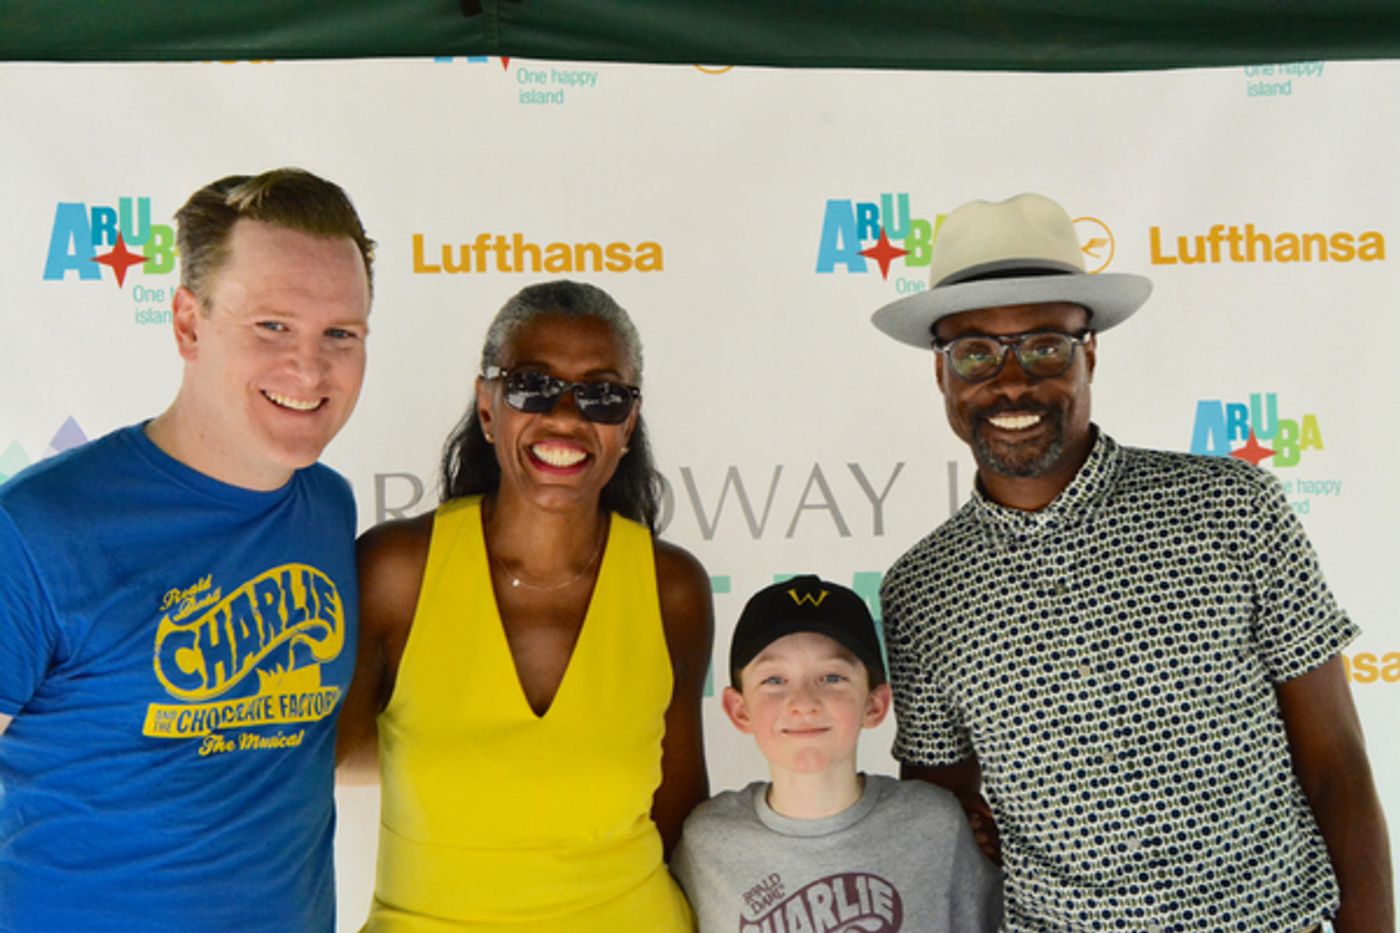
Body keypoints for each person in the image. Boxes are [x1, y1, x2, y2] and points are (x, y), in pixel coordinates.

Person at [871, 192, 1393, 933]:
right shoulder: (922, 590)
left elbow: (1336, 761)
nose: (1011, 381)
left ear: (1089, 352)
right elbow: (945, 815)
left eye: (1045, 346)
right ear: (942, 374)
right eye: (976, 352)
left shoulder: (1232, 507)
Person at [0, 168, 375, 931]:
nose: (309, 368)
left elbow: (300, 744)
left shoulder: (327, 507)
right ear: (187, 324)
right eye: (272, 326)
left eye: (340, 333)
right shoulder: (37, 529)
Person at [338, 279, 713, 931]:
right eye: (532, 386)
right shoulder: (397, 572)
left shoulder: (670, 589)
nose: (566, 416)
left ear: (627, 423)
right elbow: (308, 767)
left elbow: (681, 827)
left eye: (601, 395)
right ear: (488, 408)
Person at [672, 575, 1002, 933]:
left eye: (832, 677)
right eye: (774, 680)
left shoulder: (935, 824)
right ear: (739, 710)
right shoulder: (706, 842)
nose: (804, 702)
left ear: (875, 704)